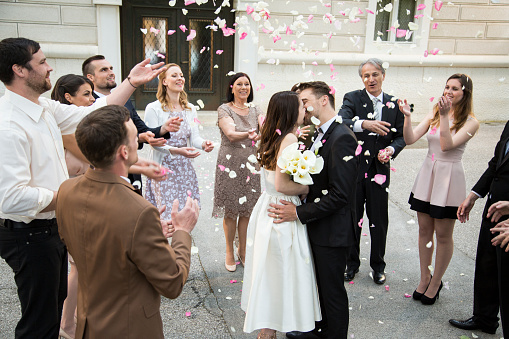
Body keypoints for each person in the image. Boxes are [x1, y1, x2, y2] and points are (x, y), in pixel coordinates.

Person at [0, 37, 165, 339]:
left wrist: (130, 81)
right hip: (29, 235)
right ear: (19, 70)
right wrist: (71, 197)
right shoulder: (9, 126)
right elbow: (11, 199)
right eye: (41, 62)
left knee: (52, 310)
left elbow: (94, 111)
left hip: (49, 228)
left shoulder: (43, 108)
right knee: (38, 323)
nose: (49, 67)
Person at [56, 105, 199, 338]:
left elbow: (90, 241)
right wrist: (182, 231)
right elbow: (172, 283)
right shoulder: (139, 211)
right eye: (135, 138)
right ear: (124, 152)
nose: (138, 143)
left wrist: (144, 237)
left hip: (88, 323)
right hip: (128, 328)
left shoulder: (66, 190)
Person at [269, 81, 359, 339]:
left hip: (333, 230)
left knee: (332, 290)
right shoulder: (318, 133)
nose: (304, 107)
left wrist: (298, 214)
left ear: (324, 100)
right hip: (319, 225)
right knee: (319, 285)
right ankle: (320, 330)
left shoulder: (342, 138)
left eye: (306, 100)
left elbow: (341, 194)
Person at [241, 91, 321, 339]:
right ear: (289, 110)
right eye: (300, 106)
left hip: (267, 205)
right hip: (281, 209)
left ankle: (269, 329)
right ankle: (268, 330)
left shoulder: (272, 136)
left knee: (270, 272)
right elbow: (284, 184)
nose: (304, 110)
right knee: (281, 271)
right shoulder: (288, 140)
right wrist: (308, 187)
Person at [400, 73, 479, 305]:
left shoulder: (471, 121)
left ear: (465, 93)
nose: (448, 91)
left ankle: (436, 283)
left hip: (450, 178)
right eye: (447, 87)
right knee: (425, 230)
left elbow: (446, 145)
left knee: (443, 235)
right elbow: (410, 139)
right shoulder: (436, 111)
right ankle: (425, 277)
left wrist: (444, 116)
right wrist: (407, 117)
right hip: (428, 175)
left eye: (455, 88)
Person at [338, 58, 405, 284]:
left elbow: (401, 136)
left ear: (383, 75)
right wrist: (364, 124)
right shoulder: (352, 98)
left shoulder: (394, 104)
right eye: (366, 76)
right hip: (354, 170)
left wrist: (390, 149)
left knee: (378, 219)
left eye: (375, 74)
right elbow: (341, 121)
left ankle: (378, 265)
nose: (370, 79)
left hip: (379, 169)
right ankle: (351, 264)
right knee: (353, 217)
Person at [82, 55, 181, 188]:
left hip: (132, 174)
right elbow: (100, 140)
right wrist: (139, 138)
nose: (111, 73)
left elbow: (142, 129)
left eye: (111, 68)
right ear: (90, 77)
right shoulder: (86, 102)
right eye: (104, 70)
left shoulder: (125, 99)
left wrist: (163, 128)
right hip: (106, 176)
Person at [449, 121, 509, 335]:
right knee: (487, 264)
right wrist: (474, 195)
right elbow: (496, 164)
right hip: (494, 206)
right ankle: (485, 318)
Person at [144, 63, 214, 219]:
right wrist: (177, 151)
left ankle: (180, 243)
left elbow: (194, 137)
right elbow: (153, 142)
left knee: (185, 216)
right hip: (162, 167)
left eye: (181, 75)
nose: (180, 78)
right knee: (167, 216)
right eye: (174, 75)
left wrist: (203, 144)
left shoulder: (190, 108)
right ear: (164, 81)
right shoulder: (153, 108)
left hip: (185, 169)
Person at [212, 72, 264, 272]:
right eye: (239, 84)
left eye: (247, 84)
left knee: (247, 210)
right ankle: (229, 250)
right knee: (231, 210)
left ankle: (242, 249)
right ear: (232, 88)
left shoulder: (256, 108)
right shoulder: (224, 109)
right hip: (230, 163)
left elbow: (266, 127)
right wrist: (249, 134)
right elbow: (231, 134)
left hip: (251, 164)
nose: (244, 87)